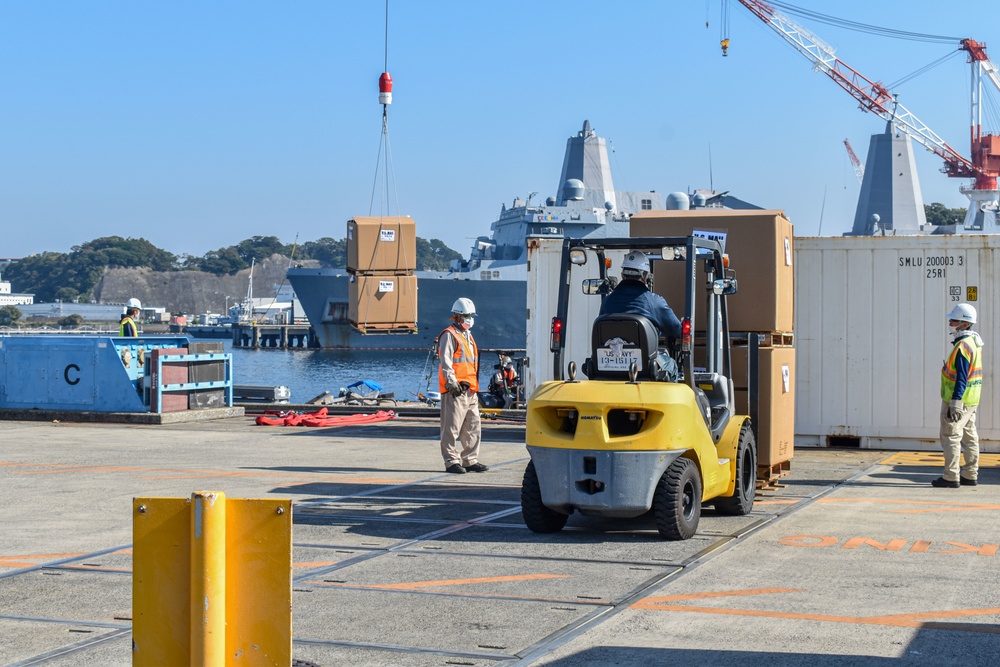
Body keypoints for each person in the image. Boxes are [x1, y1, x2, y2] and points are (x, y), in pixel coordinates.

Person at [933, 303, 984, 488]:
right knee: (970, 436)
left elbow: (962, 376)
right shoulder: (975, 342)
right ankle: (970, 474)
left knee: (951, 436)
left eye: (954, 320)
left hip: (958, 400)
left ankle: (950, 477)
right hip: (971, 399)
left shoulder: (963, 345)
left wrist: (955, 401)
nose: (950, 322)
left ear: (964, 323)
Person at [438, 297, 487, 474]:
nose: (470, 319)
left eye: (472, 315)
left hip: (471, 389)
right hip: (455, 390)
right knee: (451, 427)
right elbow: (446, 362)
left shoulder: (467, 335)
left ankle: (470, 459)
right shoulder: (449, 335)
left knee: (473, 426)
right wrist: (452, 384)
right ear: (457, 316)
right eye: (467, 315)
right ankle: (451, 461)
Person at [600, 251, 682, 341]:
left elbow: (600, 328)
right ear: (645, 275)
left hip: (610, 353)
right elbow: (676, 330)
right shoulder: (654, 302)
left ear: (622, 275)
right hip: (644, 354)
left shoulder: (607, 301)